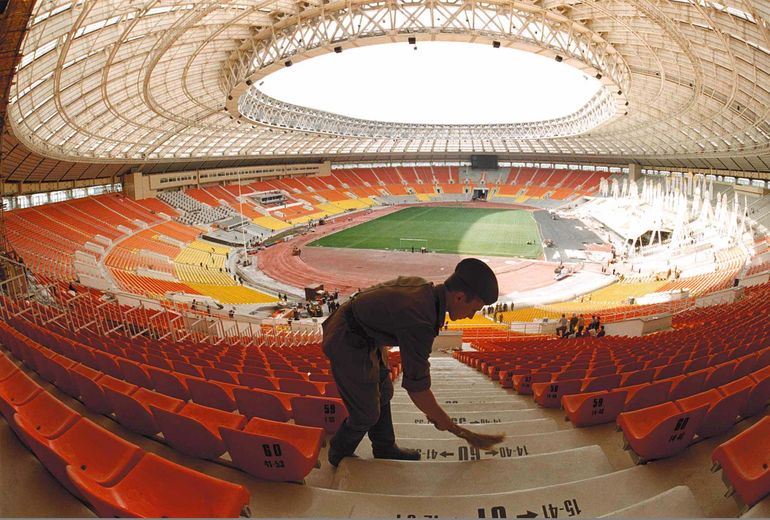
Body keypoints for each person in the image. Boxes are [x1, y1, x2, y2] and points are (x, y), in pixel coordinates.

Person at [323, 258, 503, 467]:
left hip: (367, 334)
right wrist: (444, 420)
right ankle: (338, 453)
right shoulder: (420, 319)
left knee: (384, 390)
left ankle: (384, 448)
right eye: (474, 309)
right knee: (366, 414)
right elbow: (417, 387)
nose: (471, 316)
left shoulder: (427, 292)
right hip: (347, 339)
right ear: (460, 297)